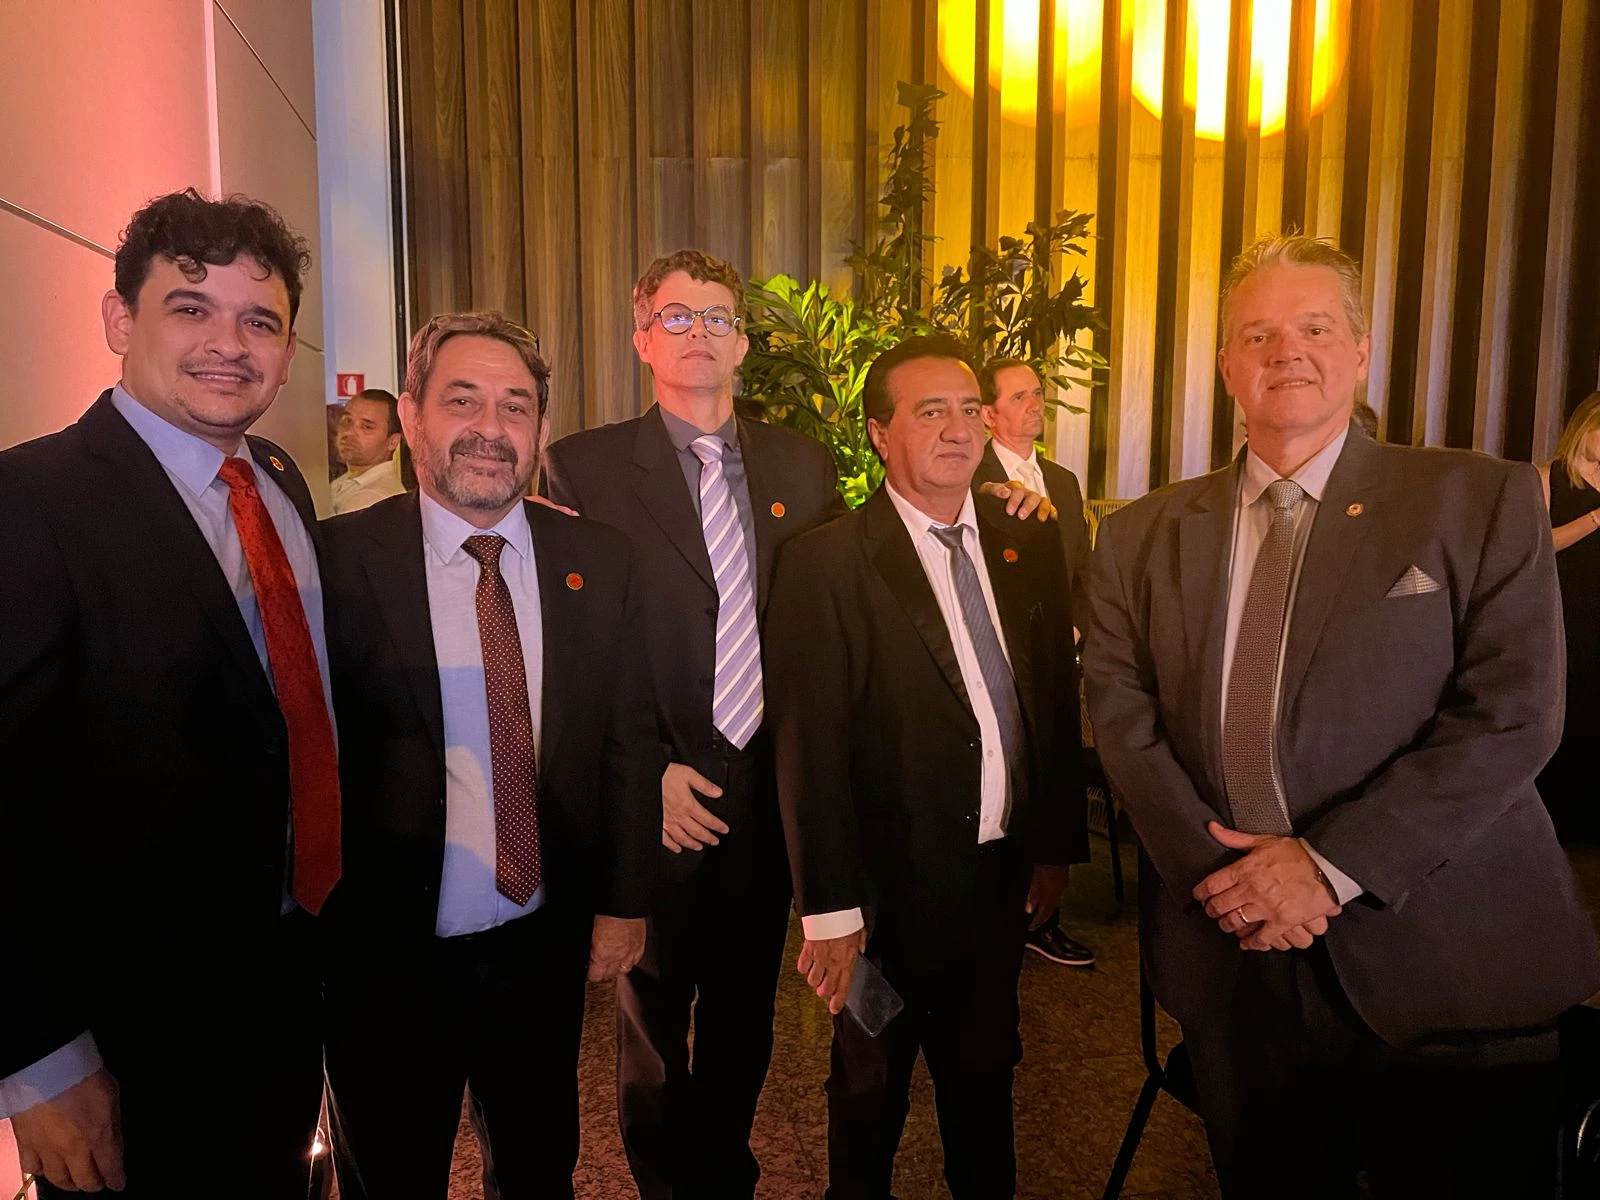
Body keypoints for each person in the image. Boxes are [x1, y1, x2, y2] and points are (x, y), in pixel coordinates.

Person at [1084, 233, 1600, 1198]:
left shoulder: (1477, 499)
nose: (1287, 351)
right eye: (1258, 334)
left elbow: (1513, 714)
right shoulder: (1138, 535)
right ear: (1228, 365)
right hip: (1234, 960)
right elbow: (1121, 717)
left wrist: (1327, 867)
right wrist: (1234, 887)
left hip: (1443, 960)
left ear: (1361, 351)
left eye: (1315, 328)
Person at [544, 251, 1051, 1199]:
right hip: (658, 792)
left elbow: (873, 564)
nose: (700, 333)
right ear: (642, 336)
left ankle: (725, 1175)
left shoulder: (800, 463)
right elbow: (571, 643)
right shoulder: (583, 465)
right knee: (652, 1018)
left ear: (742, 341)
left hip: (767, 784)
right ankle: (666, 1187)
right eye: (677, 316)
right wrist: (645, 773)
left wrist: (990, 498)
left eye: (718, 317)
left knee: (746, 1012)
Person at [0, 189, 334, 1197]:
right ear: (120, 319)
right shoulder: (30, 502)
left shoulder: (278, 478)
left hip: (283, 983)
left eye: (260, 321)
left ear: (287, 351)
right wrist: (37, 1058)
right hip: (123, 1030)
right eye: (192, 308)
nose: (229, 344)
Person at [318, 312, 659, 1199]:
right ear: (413, 417)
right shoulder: (335, 562)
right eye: (462, 399)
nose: (490, 426)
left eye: (516, 406)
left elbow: (626, 740)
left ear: (541, 429)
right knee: (391, 1177)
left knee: (540, 1169)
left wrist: (623, 902)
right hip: (385, 959)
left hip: (539, 946)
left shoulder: (599, 560)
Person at [767, 334, 1088, 1199]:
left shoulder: (1026, 541)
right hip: (882, 900)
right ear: (880, 433)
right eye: (930, 410)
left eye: (970, 408)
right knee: (868, 1089)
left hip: (997, 882)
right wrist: (829, 910)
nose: (958, 428)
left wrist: (1053, 848)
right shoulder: (824, 563)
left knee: (985, 1082)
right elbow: (808, 746)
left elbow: (1050, 700)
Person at [974, 356, 1095, 969]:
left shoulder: (1064, 482)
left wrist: (1078, 627)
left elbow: (1083, 570)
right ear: (988, 413)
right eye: (1019, 396)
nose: (1035, 404)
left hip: (1059, 656)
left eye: (1037, 393)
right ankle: (999, 915)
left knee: (1055, 771)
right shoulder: (971, 478)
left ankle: (1046, 917)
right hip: (998, 657)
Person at [1538, 390, 1600, 839]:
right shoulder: (1546, 477)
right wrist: (1596, 518)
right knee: (1567, 702)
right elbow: (1541, 545)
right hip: (1564, 608)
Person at [330, 387, 405, 513]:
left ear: (393, 442)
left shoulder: (374, 498)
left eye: (367, 427)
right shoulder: (343, 483)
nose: (348, 432)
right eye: (347, 420)